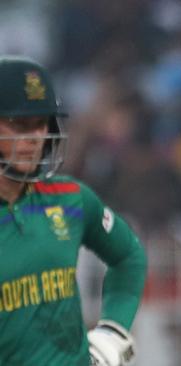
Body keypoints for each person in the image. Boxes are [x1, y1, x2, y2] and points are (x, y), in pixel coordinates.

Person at [0, 55, 147, 366]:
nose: (35, 137)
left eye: (42, 124)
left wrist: (112, 331)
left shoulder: (70, 198)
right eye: (19, 124)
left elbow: (129, 256)